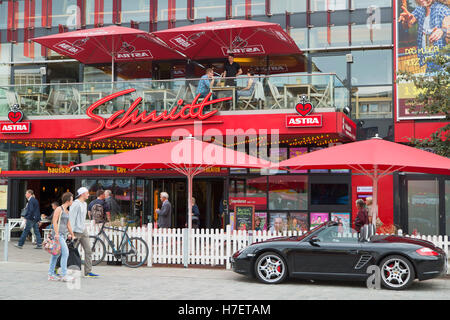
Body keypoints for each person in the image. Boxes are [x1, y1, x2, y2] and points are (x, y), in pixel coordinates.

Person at [399, 0, 450, 72]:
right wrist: (406, 21)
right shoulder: (420, 9)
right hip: (428, 59)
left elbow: (448, 28)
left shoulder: (442, 9)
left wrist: (442, 31)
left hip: (443, 60)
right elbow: (409, 23)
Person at [69, 187, 99, 278]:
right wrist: (71, 233)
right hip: (76, 231)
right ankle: (58, 266)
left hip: (83, 230)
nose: (88, 195)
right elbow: (72, 218)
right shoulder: (75, 204)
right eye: (87, 193)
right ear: (82, 194)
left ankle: (88, 271)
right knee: (70, 251)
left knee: (88, 250)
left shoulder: (85, 204)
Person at [48, 192, 76, 282]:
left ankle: (51, 274)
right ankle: (64, 275)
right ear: (68, 200)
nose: (73, 201)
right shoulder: (59, 209)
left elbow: (68, 225)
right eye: (72, 199)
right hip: (58, 235)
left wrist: (72, 234)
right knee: (66, 253)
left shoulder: (67, 211)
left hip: (62, 235)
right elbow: (54, 221)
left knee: (55, 255)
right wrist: (56, 233)